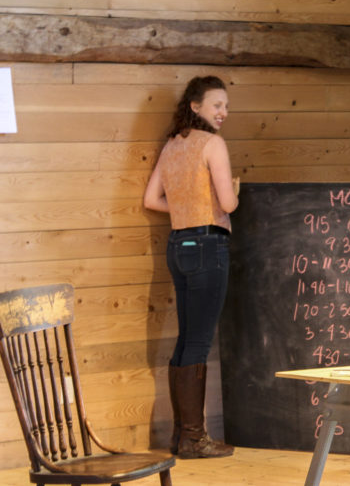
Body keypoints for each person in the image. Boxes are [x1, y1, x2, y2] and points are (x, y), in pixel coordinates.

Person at [144, 75, 239, 459]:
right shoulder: (212, 144)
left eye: (227, 106)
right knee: (198, 341)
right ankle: (194, 438)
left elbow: (152, 199)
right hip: (208, 246)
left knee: (186, 339)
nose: (224, 113)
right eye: (217, 105)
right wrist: (233, 187)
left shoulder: (172, 144)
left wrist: (187, 209)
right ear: (195, 106)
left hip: (178, 245)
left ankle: (182, 436)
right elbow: (229, 205)